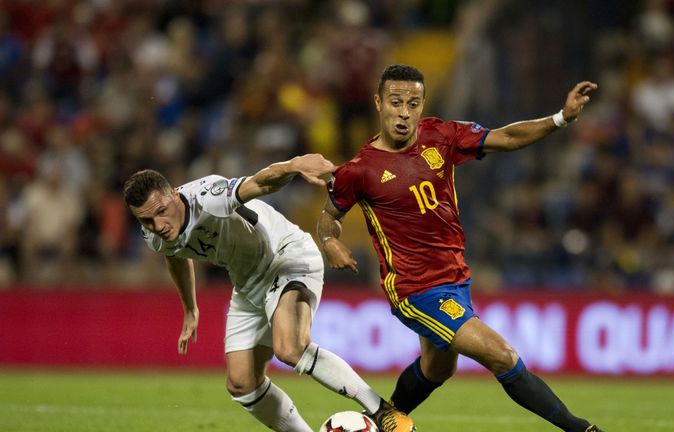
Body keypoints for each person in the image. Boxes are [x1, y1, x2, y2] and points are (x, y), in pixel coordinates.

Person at [317, 65, 604, 432]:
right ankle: (582, 429)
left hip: (455, 277)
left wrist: (561, 118)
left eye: (413, 103)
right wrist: (330, 242)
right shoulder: (359, 169)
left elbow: (508, 137)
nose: (404, 112)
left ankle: (381, 421)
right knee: (502, 356)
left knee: (438, 368)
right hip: (415, 287)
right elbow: (328, 217)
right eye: (396, 102)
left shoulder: (442, 134)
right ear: (378, 103)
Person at [123, 154, 414, 432]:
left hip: (285, 255)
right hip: (248, 282)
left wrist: (293, 166)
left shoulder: (207, 197)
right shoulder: (153, 234)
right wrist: (190, 307)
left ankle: (384, 412)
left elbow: (261, 182)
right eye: (146, 221)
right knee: (241, 384)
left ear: (173, 194)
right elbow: (175, 255)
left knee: (290, 349)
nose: (157, 225)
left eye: (161, 212)